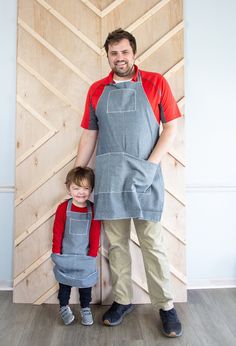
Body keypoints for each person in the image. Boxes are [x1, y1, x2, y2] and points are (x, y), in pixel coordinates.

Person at [75, 28, 182, 337]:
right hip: (110, 177)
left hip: (145, 177)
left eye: (124, 52)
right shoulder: (96, 90)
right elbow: (89, 134)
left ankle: (166, 306)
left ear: (134, 53)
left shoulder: (155, 83)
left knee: (152, 243)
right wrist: (77, 172)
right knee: (117, 244)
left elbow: (172, 128)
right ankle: (122, 300)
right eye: (113, 53)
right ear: (107, 56)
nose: (119, 57)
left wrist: (151, 166)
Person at [51, 166, 100, 326]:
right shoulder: (63, 208)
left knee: (85, 287)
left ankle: (85, 308)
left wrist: (92, 254)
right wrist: (56, 252)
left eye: (86, 188)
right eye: (76, 188)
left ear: (91, 189)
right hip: (65, 256)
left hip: (85, 257)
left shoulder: (93, 210)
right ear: (69, 188)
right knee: (64, 286)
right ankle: (64, 307)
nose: (81, 192)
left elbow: (95, 233)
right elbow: (57, 231)